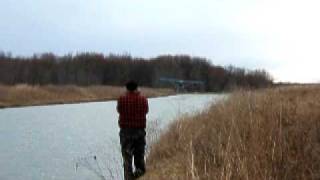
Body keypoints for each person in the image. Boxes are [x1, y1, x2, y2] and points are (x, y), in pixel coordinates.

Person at [117, 80, 149, 180]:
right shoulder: (143, 99)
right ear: (137, 88)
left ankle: (128, 178)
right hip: (139, 131)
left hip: (125, 132)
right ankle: (139, 175)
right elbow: (146, 111)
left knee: (127, 160)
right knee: (139, 157)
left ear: (126, 88)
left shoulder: (121, 99)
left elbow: (119, 110)